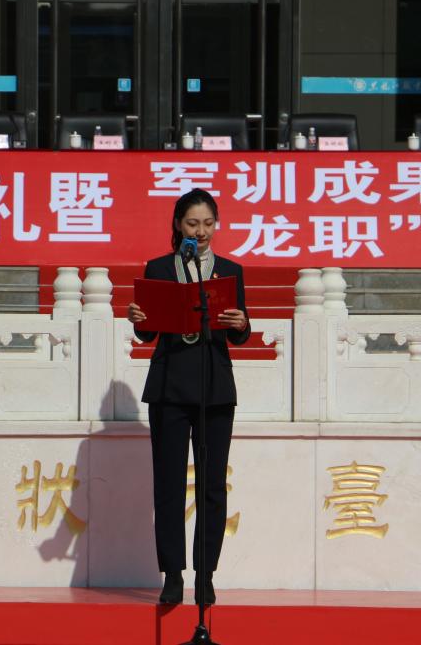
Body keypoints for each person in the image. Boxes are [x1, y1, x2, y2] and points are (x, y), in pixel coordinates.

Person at [127, 189, 251, 605]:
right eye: (193, 223)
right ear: (178, 225)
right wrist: (139, 319)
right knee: (169, 483)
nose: (201, 232)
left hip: (214, 387)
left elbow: (239, 332)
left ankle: (206, 574)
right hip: (169, 387)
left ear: (217, 225)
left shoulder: (230, 270)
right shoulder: (160, 268)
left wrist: (241, 323)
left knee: (212, 486)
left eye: (208, 223)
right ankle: (173, 575)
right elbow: (147, 331)